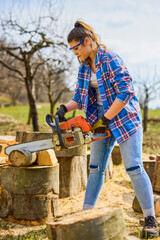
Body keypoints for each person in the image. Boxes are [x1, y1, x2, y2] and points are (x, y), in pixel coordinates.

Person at [56, 21, 159, 239]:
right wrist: (65, 108)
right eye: (72, 50)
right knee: (95, 167)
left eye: (76, 48)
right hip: (99, 120)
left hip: (124, 117)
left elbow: (126, 92)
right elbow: (79, 97)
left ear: (87, 42)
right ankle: (86, 214)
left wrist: (106, 118)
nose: (75, 54)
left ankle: (151, 218)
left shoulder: (110, 59)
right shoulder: (84, 65)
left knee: (133, 167)